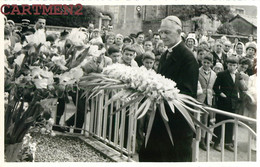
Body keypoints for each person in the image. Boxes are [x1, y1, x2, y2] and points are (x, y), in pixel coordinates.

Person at [139, 15, 199, 162]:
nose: (163, 36)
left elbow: (188, 94)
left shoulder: (188, 58)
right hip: (161, 119)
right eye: (161, 32)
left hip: (176, 125)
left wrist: (160, 94)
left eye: (167, 32)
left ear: (179, 32)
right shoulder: (166, 53)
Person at [212, 56, 244, 152]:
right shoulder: (222, 74)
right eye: (230, 65)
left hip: (233, 103)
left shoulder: (238, 75)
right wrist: (222, 95)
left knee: (230, 123)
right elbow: (215, 87)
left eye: (234, 65)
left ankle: (228, 143)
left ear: (237, 66)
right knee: (219, 122)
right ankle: (216, 142)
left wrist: (238, 97)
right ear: (227, 64)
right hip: (223, 102)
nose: (232, 67)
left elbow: (241, 88)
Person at [197, 54, 217, 151]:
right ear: (201, 62)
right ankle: (194, 138)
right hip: (198, 98)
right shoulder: (197, 71)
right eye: (204, 62)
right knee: (195, 119)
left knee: (205, 121)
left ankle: (203, 140)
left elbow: (213, 87)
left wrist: (211, 93)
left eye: (208, 63)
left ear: (211, 64)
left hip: (208, 99)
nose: (206, 64)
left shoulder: (213, 74)